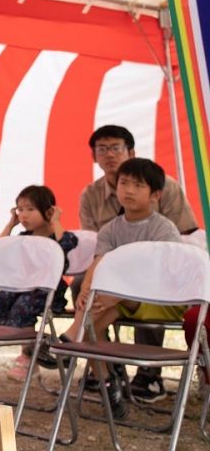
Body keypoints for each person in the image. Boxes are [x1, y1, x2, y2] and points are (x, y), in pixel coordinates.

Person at [76, 124, 199, 402]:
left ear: (130, 151)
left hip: (158, 274)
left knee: (133, 291)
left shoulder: (163, 186)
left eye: (116, 147)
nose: (109, 154)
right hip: (115, 268)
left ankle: (148, 372)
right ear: (94, 156)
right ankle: (107, 364)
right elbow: (99, 247)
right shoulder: (90, 195)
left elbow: (186, 238)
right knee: (83, 285)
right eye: (102, 149)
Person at [60, 157, 185, 419]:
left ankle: (72, 336)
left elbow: (163, 276)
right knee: (95, 319)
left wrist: (112, 292)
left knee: (106, 299)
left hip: (161, 301)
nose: (128, 190)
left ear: (156, 195)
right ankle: (108, 383)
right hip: (120, 301)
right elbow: (99, 261)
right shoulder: (110, 229)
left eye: (137, 185)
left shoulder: (163, 228)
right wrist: (86, 291)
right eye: (124, 183)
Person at [0, 185, 77, 381]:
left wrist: (55, 220)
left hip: (46, 289)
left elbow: (67, 244)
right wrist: (10, 224)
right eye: (20, 209)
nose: (24, 215)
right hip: (21, 286)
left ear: (47, 210)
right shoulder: (24, 237)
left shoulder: (56, 237)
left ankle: (27, 359)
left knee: (24, 307)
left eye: (30, 209)